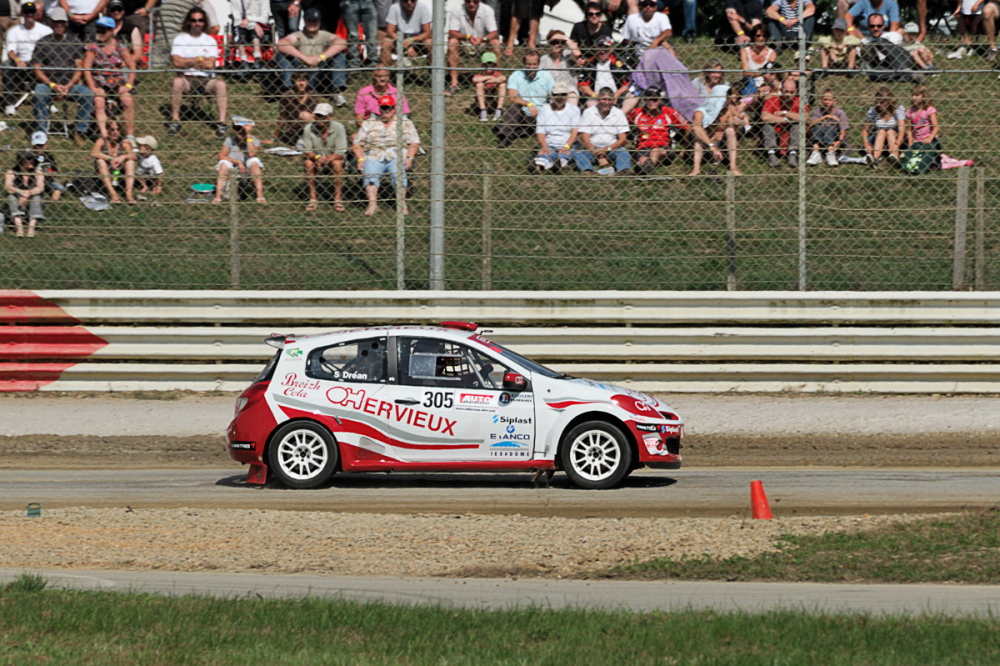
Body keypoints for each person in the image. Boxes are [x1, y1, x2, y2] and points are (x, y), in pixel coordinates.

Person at [31, 7, 91, 147]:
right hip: (49, 84)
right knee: (39, 92)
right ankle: (42, 131)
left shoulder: (74, 41)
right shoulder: (43, 42)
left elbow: (79, 68)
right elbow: (37, 69)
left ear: (66, 24)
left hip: (70, 84)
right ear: (51, 23)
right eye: (56, 22)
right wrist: (52, 85)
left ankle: (80, 131)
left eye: (62, 22)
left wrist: (69, 85)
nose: (59, 25)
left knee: (87, 94)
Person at [352, 94, 420, 216]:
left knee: (397, 172)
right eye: (384, 107)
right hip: (374, 153)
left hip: (397, 153)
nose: (387, 110)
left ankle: (401, 203)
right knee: (370, 173)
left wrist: (410, 158)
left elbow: (414, 142)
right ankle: (372, 204)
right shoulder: (369, 123)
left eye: (389, 107)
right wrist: (361, 159)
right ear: (379, 108)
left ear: (394, 108)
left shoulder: (405, 122)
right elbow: (357, 144)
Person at [168, 7, 228, 139]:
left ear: (204, 22)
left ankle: (221, 123)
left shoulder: (210, 41)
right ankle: (175, 120)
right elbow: (177, 63)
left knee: (221, 85)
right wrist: (199, 59)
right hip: (186, 78)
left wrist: (187, 62)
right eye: (194, 20)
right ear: (188, 22)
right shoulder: (180, 39)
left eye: (200, 20)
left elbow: (211, 65)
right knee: (177, 82)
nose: (197, 23)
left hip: (206, 79)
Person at [277, 7, 348, 107]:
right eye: (309, 20)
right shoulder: (298, 35)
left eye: (315, 21)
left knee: (339, 54)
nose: (312, 23)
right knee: (282, 55)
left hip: (319, 72)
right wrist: (305, 58)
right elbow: (282, 44)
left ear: (319, 22)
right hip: (301, 73)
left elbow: (342, 43)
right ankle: (289, 91)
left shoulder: (325, 35)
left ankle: (337, 93)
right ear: (304, 21)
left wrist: (321, 57)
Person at [82, 15, 136, 141]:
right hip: (100, 83)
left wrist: (128, 86)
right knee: (99, 102)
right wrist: (93, 88)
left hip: (117, 83)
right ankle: (105, 136)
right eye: (98, 29)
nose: (99, 33)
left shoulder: (120, 47)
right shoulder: (93, 47)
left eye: (103, 30)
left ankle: (129, 136)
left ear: (111, 31)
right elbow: (86, 69)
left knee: (128, 101)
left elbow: (132, 66)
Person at [493, 49, 553, 148]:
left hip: (542, 114)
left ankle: (523, 131)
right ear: (524, 63)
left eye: (534, 64)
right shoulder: (516, 75)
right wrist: (528, 104)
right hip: (523, 113)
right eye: (528, 64)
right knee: (513, 106)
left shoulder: (546, 75)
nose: (531, 67)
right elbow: (512, 97)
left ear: (538, 64)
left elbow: (553, 95)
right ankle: (505, 136)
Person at [297, 102, 347, 212]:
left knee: (337, 163)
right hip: (316, 159)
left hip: (333, 159)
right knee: (308, 164)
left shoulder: (339, 128)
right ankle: (313, 198)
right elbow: (306, 150)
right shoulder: (308, 128)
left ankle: (338, 199)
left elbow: (341, 151)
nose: (320, 119)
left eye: (323, 116)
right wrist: (317, 158)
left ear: (330, 116)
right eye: (318, 116)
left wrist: (326, 159)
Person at [4, 3, 52, 115]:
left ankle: (50, 101)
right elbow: (10, 51)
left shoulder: (46, 30)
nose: (30, 15)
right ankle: (10, 103)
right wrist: (17, 60)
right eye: (27, 12)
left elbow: (51, 50)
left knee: (53, 63)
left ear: (36, 13)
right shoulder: (14, 31)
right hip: (22, 63)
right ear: (22, 14)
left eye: (32, 12)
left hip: (41, 62)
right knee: (6, 65)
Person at [628, 86, 689, 174]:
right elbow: (622, 123)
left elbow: (687, 127)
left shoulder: (668, 112)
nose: (651, 102)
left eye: (655, 99)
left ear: (660, 100)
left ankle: (647, 169)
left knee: (655, 152)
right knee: (642, 159)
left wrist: (685, 149)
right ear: (644, 99)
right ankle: (645, 166)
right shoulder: (637, 112)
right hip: (643, 148)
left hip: (663, 149)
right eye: (648, 99)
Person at [446, 0, 501, 94]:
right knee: (452, 42)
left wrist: (483, 39)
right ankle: (454, 83)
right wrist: (467, 37)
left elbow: (494, 33)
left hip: (483, 42)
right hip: (464, 42)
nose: (471, 4)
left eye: (475, 1)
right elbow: (452, 32)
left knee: (495, 43)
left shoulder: (487, 10)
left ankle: (495, 79)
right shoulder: (457, 10)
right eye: (468, 1)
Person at [573, 86, 631, 175]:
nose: (606, 102)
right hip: (593, 149)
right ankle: (588, 171)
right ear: (598, 99)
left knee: (623, 151)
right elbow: (584, 137)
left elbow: (623, 139)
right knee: (579, 154)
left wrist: (607, 149)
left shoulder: (618, 113)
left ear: (613, 101)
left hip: (612, 148)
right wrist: (597, 154)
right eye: (604, 99)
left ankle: (624, 170)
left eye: (609, 100)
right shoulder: (588, 112)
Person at [211, 116, 265, 204]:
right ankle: (218, 196)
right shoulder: (230, 140)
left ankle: (260, 195)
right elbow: (221, 155)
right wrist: (238, 162)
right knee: (223, 163)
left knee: (254, 161)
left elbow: (252, 154)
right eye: (237, 128)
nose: (240, 131)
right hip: (233, 167)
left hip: (248, 170)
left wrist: (248, 135)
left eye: (242, 130)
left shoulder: (254, 140)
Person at [533, 80, 580, 173]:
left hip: (567, 143)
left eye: (562, 95)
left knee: (564, 156)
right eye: (556, 95)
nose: (559, 98)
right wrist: (544, 146)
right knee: (546, 154)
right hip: (550, 142)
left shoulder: (574, 109)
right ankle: (541, 165)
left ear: (566, 95)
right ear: (551, 95)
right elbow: (540, 131)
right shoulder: (545, 109)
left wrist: (567, 146)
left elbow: (574, 131)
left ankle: (556, 164)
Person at [761, 77, 806, 168]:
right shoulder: (772, 100)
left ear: (796, 91)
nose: (788, 94)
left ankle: (792, 153)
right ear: (781, 90)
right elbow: (765, 116)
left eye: (791, 92)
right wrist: (785, 119)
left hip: (792, 133)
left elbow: (805, 117)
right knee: (767, 125)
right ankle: (771, 154)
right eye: (786, 91)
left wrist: (785, 113)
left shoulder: (800, 101)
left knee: (798, 124)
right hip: (775, 132)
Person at [90, 120, 136, 204]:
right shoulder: (102, 141)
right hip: (104, 169)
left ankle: (129, 194)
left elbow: (133, 156)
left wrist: (123, 157)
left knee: (130, 162)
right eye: (112, 129)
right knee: (100, 161)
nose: (115, 132)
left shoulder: (124, 142)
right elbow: (93, 153)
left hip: (118, 171)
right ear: (107, 130)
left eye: (117, 129)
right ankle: (113, 195)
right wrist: (110, 158)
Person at [576, 36, 629, 105]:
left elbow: (627, 83)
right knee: (590, 103)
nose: (603, 51)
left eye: (606, 47)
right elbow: (582, 86)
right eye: (600, 47)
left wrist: (616, 95)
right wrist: (597, 96)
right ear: (595, 48)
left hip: (617, 97)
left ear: (611, 49)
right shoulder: (590, 63)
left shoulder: (618, 62)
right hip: (595, 97)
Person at [862, 84, 905, 166]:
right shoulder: (873, 111)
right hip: (877, 137)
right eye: (877, 101)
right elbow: (865, 130)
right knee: (881, 131)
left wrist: (897, 143)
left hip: (894, 137)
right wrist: (866, 143)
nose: (878, 104)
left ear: (888, 101)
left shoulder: (898, 109)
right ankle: (875, 159)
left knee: (890, 131)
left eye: (881, 102)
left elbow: (901, 130)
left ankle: (894, 156)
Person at [5, 149, 43, 238]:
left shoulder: (38, 172)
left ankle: (31, 228)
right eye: (27, 159)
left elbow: (40, 187)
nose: (31, 161)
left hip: (31, 199)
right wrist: (21, 192)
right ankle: (19, 228)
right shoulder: (11, 172)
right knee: (11, 197)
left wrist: (28, 193)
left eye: (32, 159)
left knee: (37, 197)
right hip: (17, 199)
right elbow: (8, 187)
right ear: (21, 161)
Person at [381, 0, 431, 67]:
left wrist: (410, 40)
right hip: (398, 38)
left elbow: (427, 32)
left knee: (430, 43)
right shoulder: (394, 8)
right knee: (386, 43)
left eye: (412, 0)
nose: (409, 2)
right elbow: (390, 31)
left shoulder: (423, 8)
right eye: (406, 0)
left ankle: (433, 73)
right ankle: (385, 72)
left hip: (417, 39)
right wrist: (405, 43)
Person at [806, 88, 848, 166]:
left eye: (829, 100)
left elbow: (843, 130)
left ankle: (830, 153)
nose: (827, 102)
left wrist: (839, 141)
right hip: (820, 138)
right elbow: (811, 125)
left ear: (834, 101)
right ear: (821, 100)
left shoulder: (840, 112)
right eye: (825, 99)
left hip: (834, 139)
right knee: (817, 126)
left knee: (829, 127)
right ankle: (816, 153)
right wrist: (824, 117)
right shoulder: (818, 111)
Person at [275, 70, 320, 143]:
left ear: (307, 82)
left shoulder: (313, 95)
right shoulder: (287, 96)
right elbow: (282, 117)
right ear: (293, 82)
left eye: (304, 80)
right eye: (298, 81)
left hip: (312, 128)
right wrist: (275, 137)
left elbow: (318, 117)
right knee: (304, 115)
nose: (301, 83)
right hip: (295, 132)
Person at [539, 30, 578, 105]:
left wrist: (565, 38)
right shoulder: (544, 59)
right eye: (554, 42)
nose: (557, 45)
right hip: (550, 92)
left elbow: (577, 54)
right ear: (550, 44)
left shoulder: (568, 55)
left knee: (572, 96)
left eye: (561, 42)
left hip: (568, 90)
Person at [231, 0, 270, 72]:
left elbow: (264, 18)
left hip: (259, 24)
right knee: (240, 34)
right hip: (242, 25)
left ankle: (257, 61)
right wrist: (251, 24)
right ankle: (243, 62)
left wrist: (251, 21)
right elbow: (238, 20)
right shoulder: (235, 1)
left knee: (255, 35)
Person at [341, 0, 377, 68]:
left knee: (372, 35)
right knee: (353, 35)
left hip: (368, 2)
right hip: (349, 2)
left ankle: (373, 62)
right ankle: (354, 63)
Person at [471, 51, 506, 121]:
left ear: (495, 66)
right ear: (483, 66)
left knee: (502, 84)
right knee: (479, 84)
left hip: (494, 96)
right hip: (484, 97)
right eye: (487, 65)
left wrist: (491, 80)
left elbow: (503, 78)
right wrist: (490, 78)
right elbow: (475, 79)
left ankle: (499, 109)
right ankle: (483, 110)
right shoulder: (481, 75)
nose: (489, 67)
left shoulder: (497, 74)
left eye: (492, 65)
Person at [31, 131, 64, 201]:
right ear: (33, 145)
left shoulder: (49, 156)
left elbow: (53, 170)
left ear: (46, 145)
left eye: (41, 145)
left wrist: (50, 172)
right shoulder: (30, 156)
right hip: (32, 181)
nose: (39, 148)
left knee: (59, 187)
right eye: (37, 145)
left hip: (46, 182)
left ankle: (53, 201)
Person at [740, 24, 776, 88]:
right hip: (748, 84)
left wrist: (754, 73)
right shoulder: (745, 51)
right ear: (753, 36)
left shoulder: (772, 53)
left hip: (765, 85)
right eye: (758, 36)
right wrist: (762, 72)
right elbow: (745, 72)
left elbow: (768, 73)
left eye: (764, 36)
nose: (761, 38)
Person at [905, 83, 938, 151]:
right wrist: (910, 145)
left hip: (931, 141)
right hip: (917, 142)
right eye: (912, 95)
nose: (914, 97)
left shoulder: (929, 110)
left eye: (916, 95)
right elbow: (909, 131)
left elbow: (936, 127)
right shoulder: (911, 112)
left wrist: (930, 139)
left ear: (924, 96)